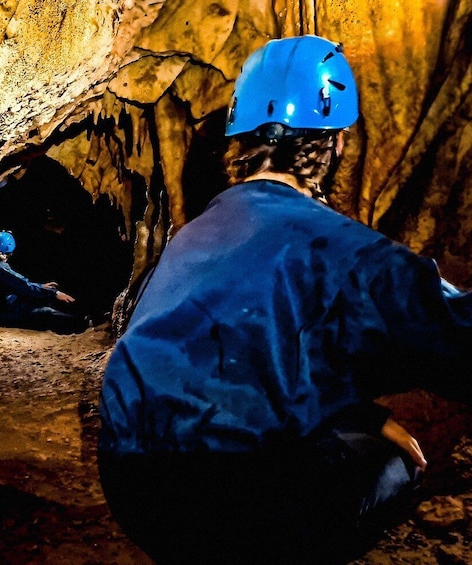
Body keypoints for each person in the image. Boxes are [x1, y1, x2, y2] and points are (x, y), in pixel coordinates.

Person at [97, 35, 472, 564]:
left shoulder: (195, 235)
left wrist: (359, 414)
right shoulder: (339, 247)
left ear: (242, 136)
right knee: (390, 462)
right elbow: (457, 337)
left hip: (131, 486)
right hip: (236, 499)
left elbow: (235, 361)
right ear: (338, 142)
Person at [0, 231, 88, 334]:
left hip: (0, 309)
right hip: (2, 314)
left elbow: (20, 282)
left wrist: (41, 287)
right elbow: (24, 285)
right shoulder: (0, 268)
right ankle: (84, 324)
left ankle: (82, 317)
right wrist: (54, 294)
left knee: (41, 299)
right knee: (46, 312)